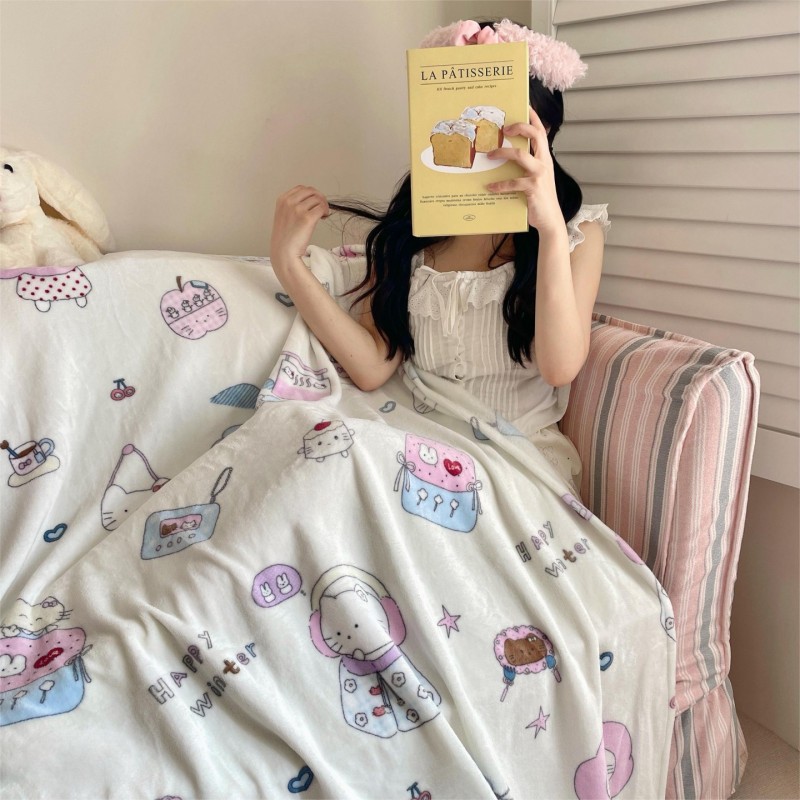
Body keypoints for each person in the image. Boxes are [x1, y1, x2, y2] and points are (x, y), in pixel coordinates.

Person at [269, 18, 609, 493]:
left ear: (543, 126)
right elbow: (372, 367)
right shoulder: (412, 231)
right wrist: (288, 263)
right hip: (412, 446)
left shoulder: (577, 232)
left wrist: (549, 227)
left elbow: (560, 367)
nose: (479, 134)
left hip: (514, 462)